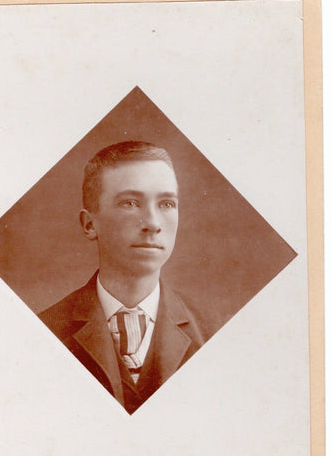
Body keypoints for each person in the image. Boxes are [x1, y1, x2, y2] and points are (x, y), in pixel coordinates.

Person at [38, 141, 208, 414]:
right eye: (130, 203)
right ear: (90, 224)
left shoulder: (214, 332)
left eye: (166, 203)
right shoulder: (42, 333)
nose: (153, 223)